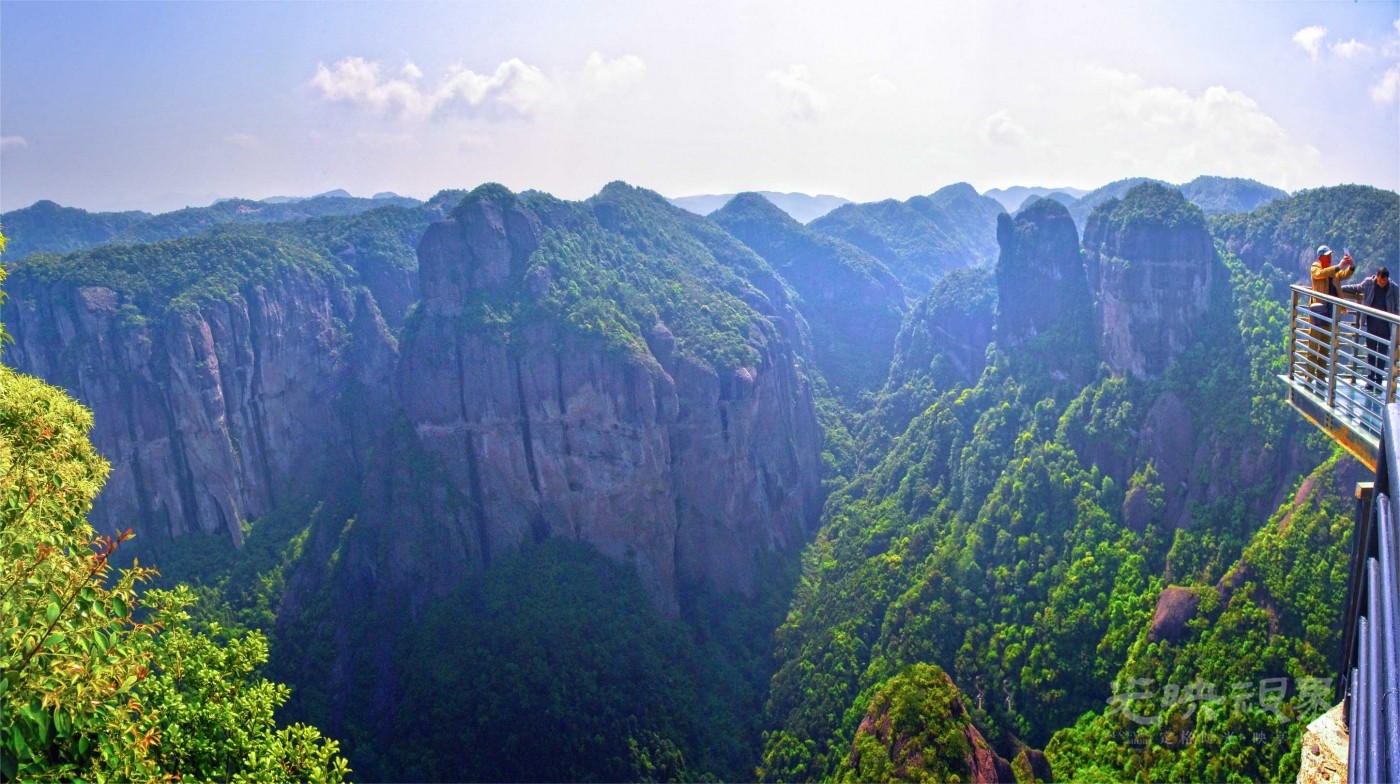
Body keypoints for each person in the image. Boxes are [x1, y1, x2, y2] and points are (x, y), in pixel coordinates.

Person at [1341, 264, 1398, 389]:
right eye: (1381, 281)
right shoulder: (1369, 283)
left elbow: (1397, 307)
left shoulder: (1393, 288)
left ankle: (1378, 381)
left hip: (1386, 327)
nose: (1382, 284)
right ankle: (1370, 380)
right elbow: (1356, 288)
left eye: (1385, 282)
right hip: (1371, 325)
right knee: (1371, 353)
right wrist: (1339, 289)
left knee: (1382, 355)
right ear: (1376, 277)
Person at [1306, 246, 1355, 384]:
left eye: (1330, 256)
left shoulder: (1333, 271)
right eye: (1327, 256)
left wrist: (1350, 265)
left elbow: (1343, 274)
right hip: (1318, 313)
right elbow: (1320, 274)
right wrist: (1338, 266)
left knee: (1325, 348)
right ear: (1320, 257)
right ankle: (1308, 378)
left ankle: (1320, 378)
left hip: (1330, 314)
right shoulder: (1315, 267)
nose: (1330, 258)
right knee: (1313, 346)